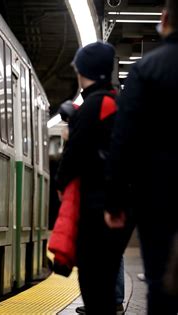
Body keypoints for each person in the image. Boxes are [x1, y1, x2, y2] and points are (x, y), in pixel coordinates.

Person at [104, 0, 178, 314]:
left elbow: (124, 139)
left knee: (160, 282)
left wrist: (115, 199)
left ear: (165, 19)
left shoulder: (147, 69)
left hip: (158, 195)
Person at [55, 41, 132, 315]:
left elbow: (75, 155)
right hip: (113, 203)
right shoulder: (114, 102)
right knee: (104, 274)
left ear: (83, 70)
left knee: (93, 280)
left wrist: (61, 184)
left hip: (97, 206)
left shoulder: (97, 104)